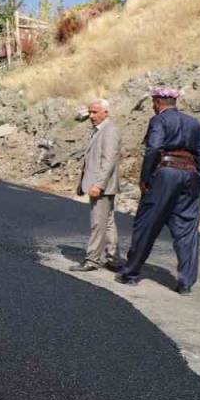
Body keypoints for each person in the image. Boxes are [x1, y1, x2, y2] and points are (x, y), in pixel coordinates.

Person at [115, 86, 200, 294]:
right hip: (190, 175)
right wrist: (199, 179)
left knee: (147, 223)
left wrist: (145, 179)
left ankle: (131, 273)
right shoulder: (194, 122)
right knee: (186, 230)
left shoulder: (159, 120)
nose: (153, 106)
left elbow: (154, 148)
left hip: (166, 173)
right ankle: (185, 283)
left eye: (153, 102)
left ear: (158, 102)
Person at [71, 98, 123, 272]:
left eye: (95, 112)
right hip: (101, 184)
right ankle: (113, 259)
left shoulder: (109, 130)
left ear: (105, 112)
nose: (91, 116)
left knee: (98, 223)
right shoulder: (100, 130)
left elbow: (109, 160)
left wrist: (98, 185)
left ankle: (92, 260)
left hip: (102, 186)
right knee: (107, 222)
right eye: (90, 112)